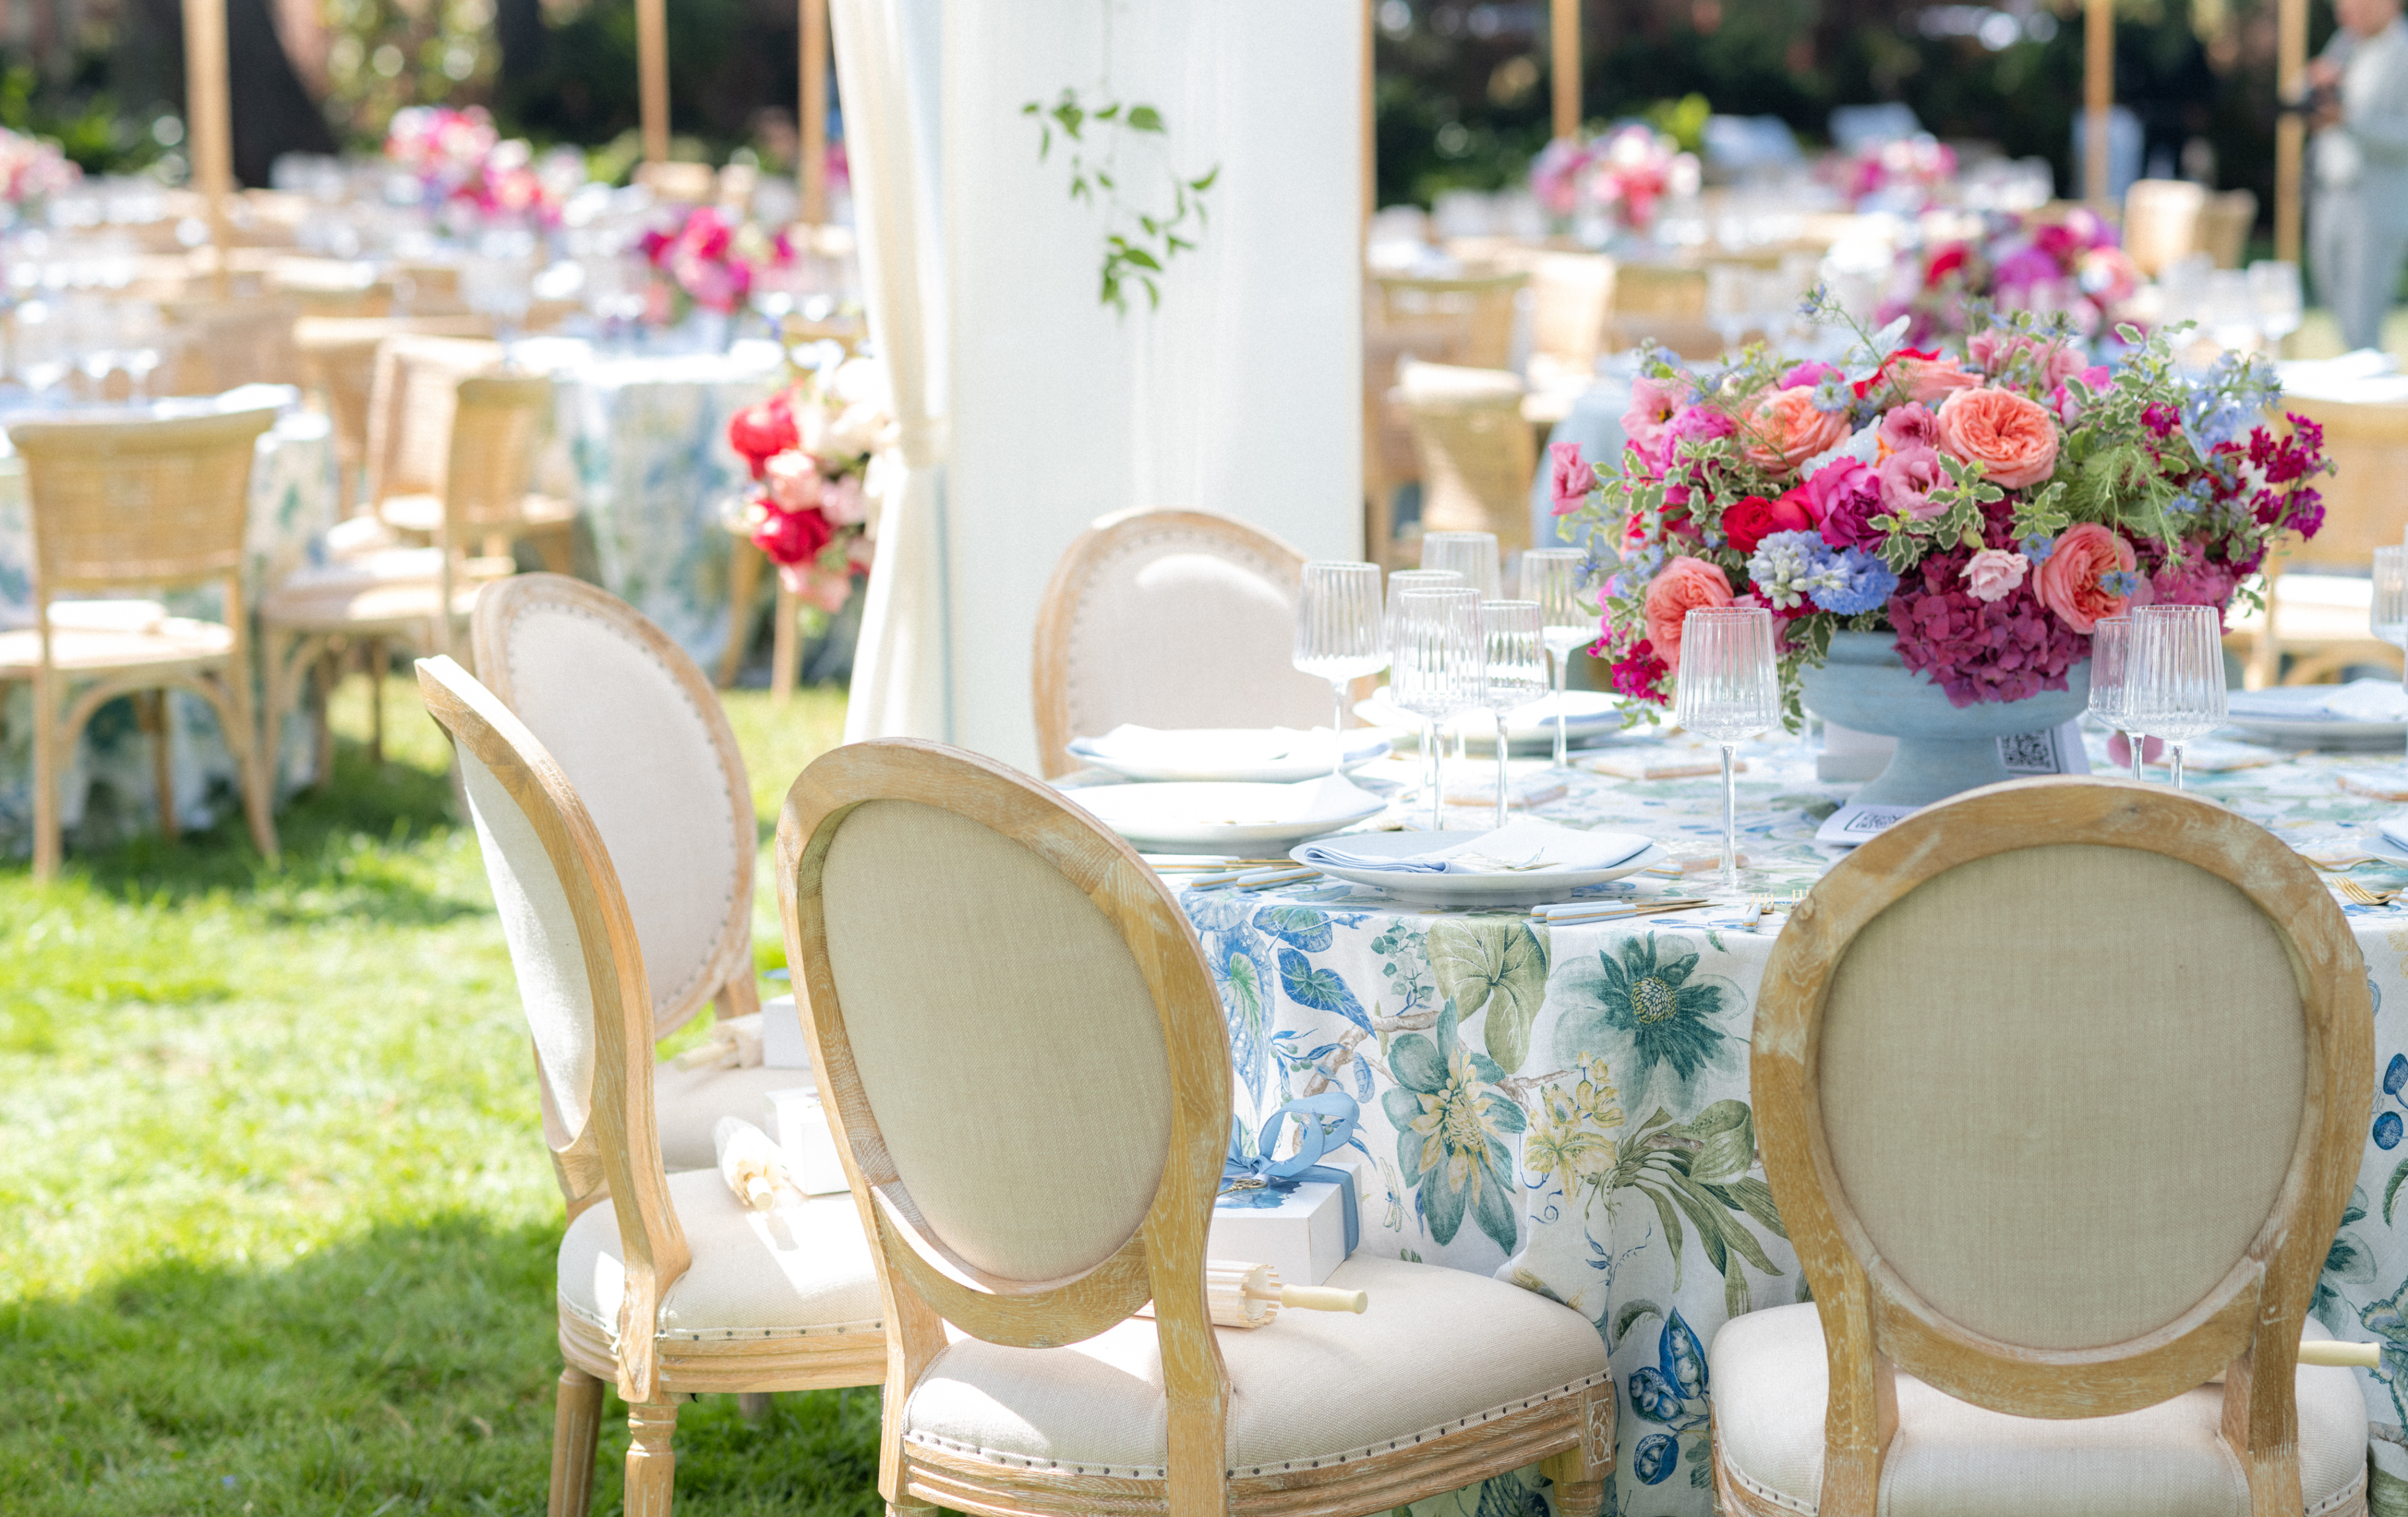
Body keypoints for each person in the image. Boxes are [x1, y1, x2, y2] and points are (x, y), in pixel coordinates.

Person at [2309, 0, 2408, 353]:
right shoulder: (2344, 44)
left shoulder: (2403, 52)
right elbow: (2307, 93)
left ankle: (2372, 400)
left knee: (2362, 316)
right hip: (2331, 193)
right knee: (2333, 300)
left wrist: (2348, 120)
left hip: (2377, 201)